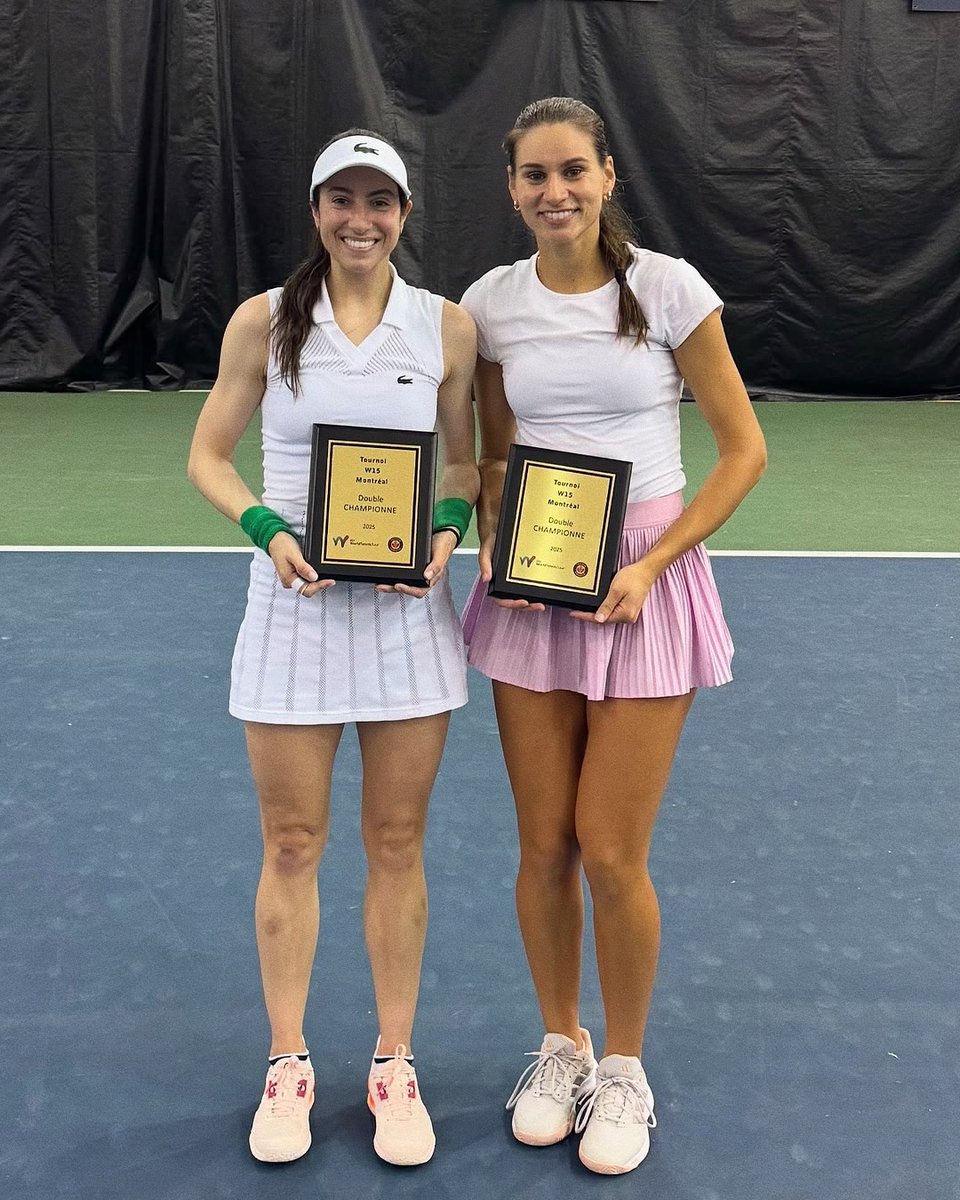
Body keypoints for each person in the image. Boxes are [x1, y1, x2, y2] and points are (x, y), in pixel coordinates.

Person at [459, 97, 767, 1176]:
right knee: (543, 843)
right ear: (511, 188)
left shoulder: (670, 289)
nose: (555, 191)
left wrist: (652, 562)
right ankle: (561, 1045)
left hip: (645, 581)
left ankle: (624, 1068)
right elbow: (493, 458)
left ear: (607, 175)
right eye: (534, 175)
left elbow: (742, 452)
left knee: (610, 847)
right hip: (534, 589)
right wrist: (495, 539)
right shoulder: (491, 303)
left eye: (573, 171)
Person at [187, 129, 479, 1168]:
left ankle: (393, 1062)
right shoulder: (264, 322)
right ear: (315, 209)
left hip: (405, 623)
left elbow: (470, 461)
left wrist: (444, 530)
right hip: (293, 619)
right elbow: (209, 454)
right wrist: (266, 529)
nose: (362, 219)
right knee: (293, 845)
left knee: (397, 844)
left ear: (405, 213)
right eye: (341, 199)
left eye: (381, 201)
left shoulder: (445, 328)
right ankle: (289, 1061)